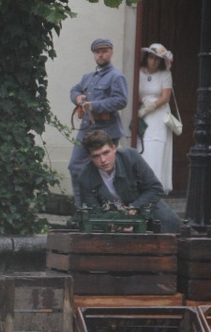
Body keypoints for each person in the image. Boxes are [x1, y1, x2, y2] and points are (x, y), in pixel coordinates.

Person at [77, 130, 181, 234]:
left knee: (170, 227)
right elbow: (92, 212)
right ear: (90, 157)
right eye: (96, 156)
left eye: (106, 152)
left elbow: (155, 188)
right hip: (110, 221)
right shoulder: (85, 178)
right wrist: (116, 224)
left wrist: (134, 208)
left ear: (114, 149)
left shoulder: (131, 157)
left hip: (146, 209)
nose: (103, 160)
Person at [68, 38, 129, 208]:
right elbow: (75, 89)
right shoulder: (88, 77)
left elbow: (121, 101)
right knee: (76, 167)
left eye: (104, 51)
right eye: (97, 52)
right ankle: (82, 210)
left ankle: (112, 208)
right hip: (87, 129)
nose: (100, 54)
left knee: (107, 171)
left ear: (111, 52)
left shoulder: (116, 77)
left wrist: (94, 106)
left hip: (107, 130)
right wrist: (78, 98)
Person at [136, 43, 174, 194]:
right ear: (147, 57)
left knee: (156, 146)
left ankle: (155, 185)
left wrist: (151, 106)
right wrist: (143, 102)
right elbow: (134, 90)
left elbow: (166, 97)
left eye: (157, 59)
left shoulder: (165, 74)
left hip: (158, 114)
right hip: (142, 112)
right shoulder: (139, 72)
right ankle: (141, 184)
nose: (154, 61)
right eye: (151, 57)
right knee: (142, 146)